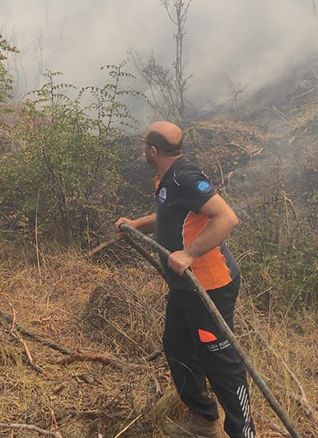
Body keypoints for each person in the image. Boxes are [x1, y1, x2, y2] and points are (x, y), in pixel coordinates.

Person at [115, 121, 255, 438]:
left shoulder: (185, 177)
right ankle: (204, 422)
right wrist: (136, 223)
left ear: (153, 150)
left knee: (221, 363)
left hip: (210, 284)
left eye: (143, 147)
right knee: (177, 347)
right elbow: (173, 215)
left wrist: (189, 253)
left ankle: (243, 433)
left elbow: (227, 218)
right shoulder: (169, 178)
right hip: (184, 287)